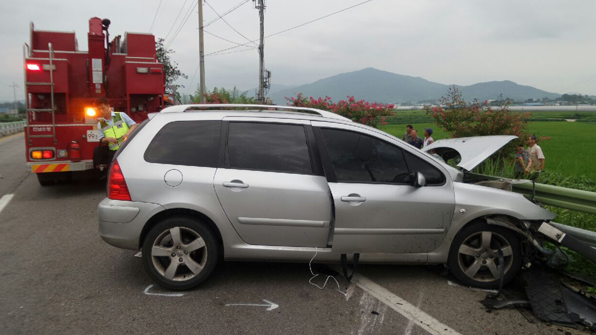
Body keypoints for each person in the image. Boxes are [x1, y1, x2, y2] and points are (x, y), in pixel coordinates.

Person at [93, 97, 138, 171]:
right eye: (98, 109)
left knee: (130, 170)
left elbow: (134, 125)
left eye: (103, 108)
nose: (101, 111)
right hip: (113, 153)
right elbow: (101, 140)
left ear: (108, 106)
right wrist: (107, 139)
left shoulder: (121, 115)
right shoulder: (100, 124)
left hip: (127, 149)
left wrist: (127, 134)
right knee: (113, 172)